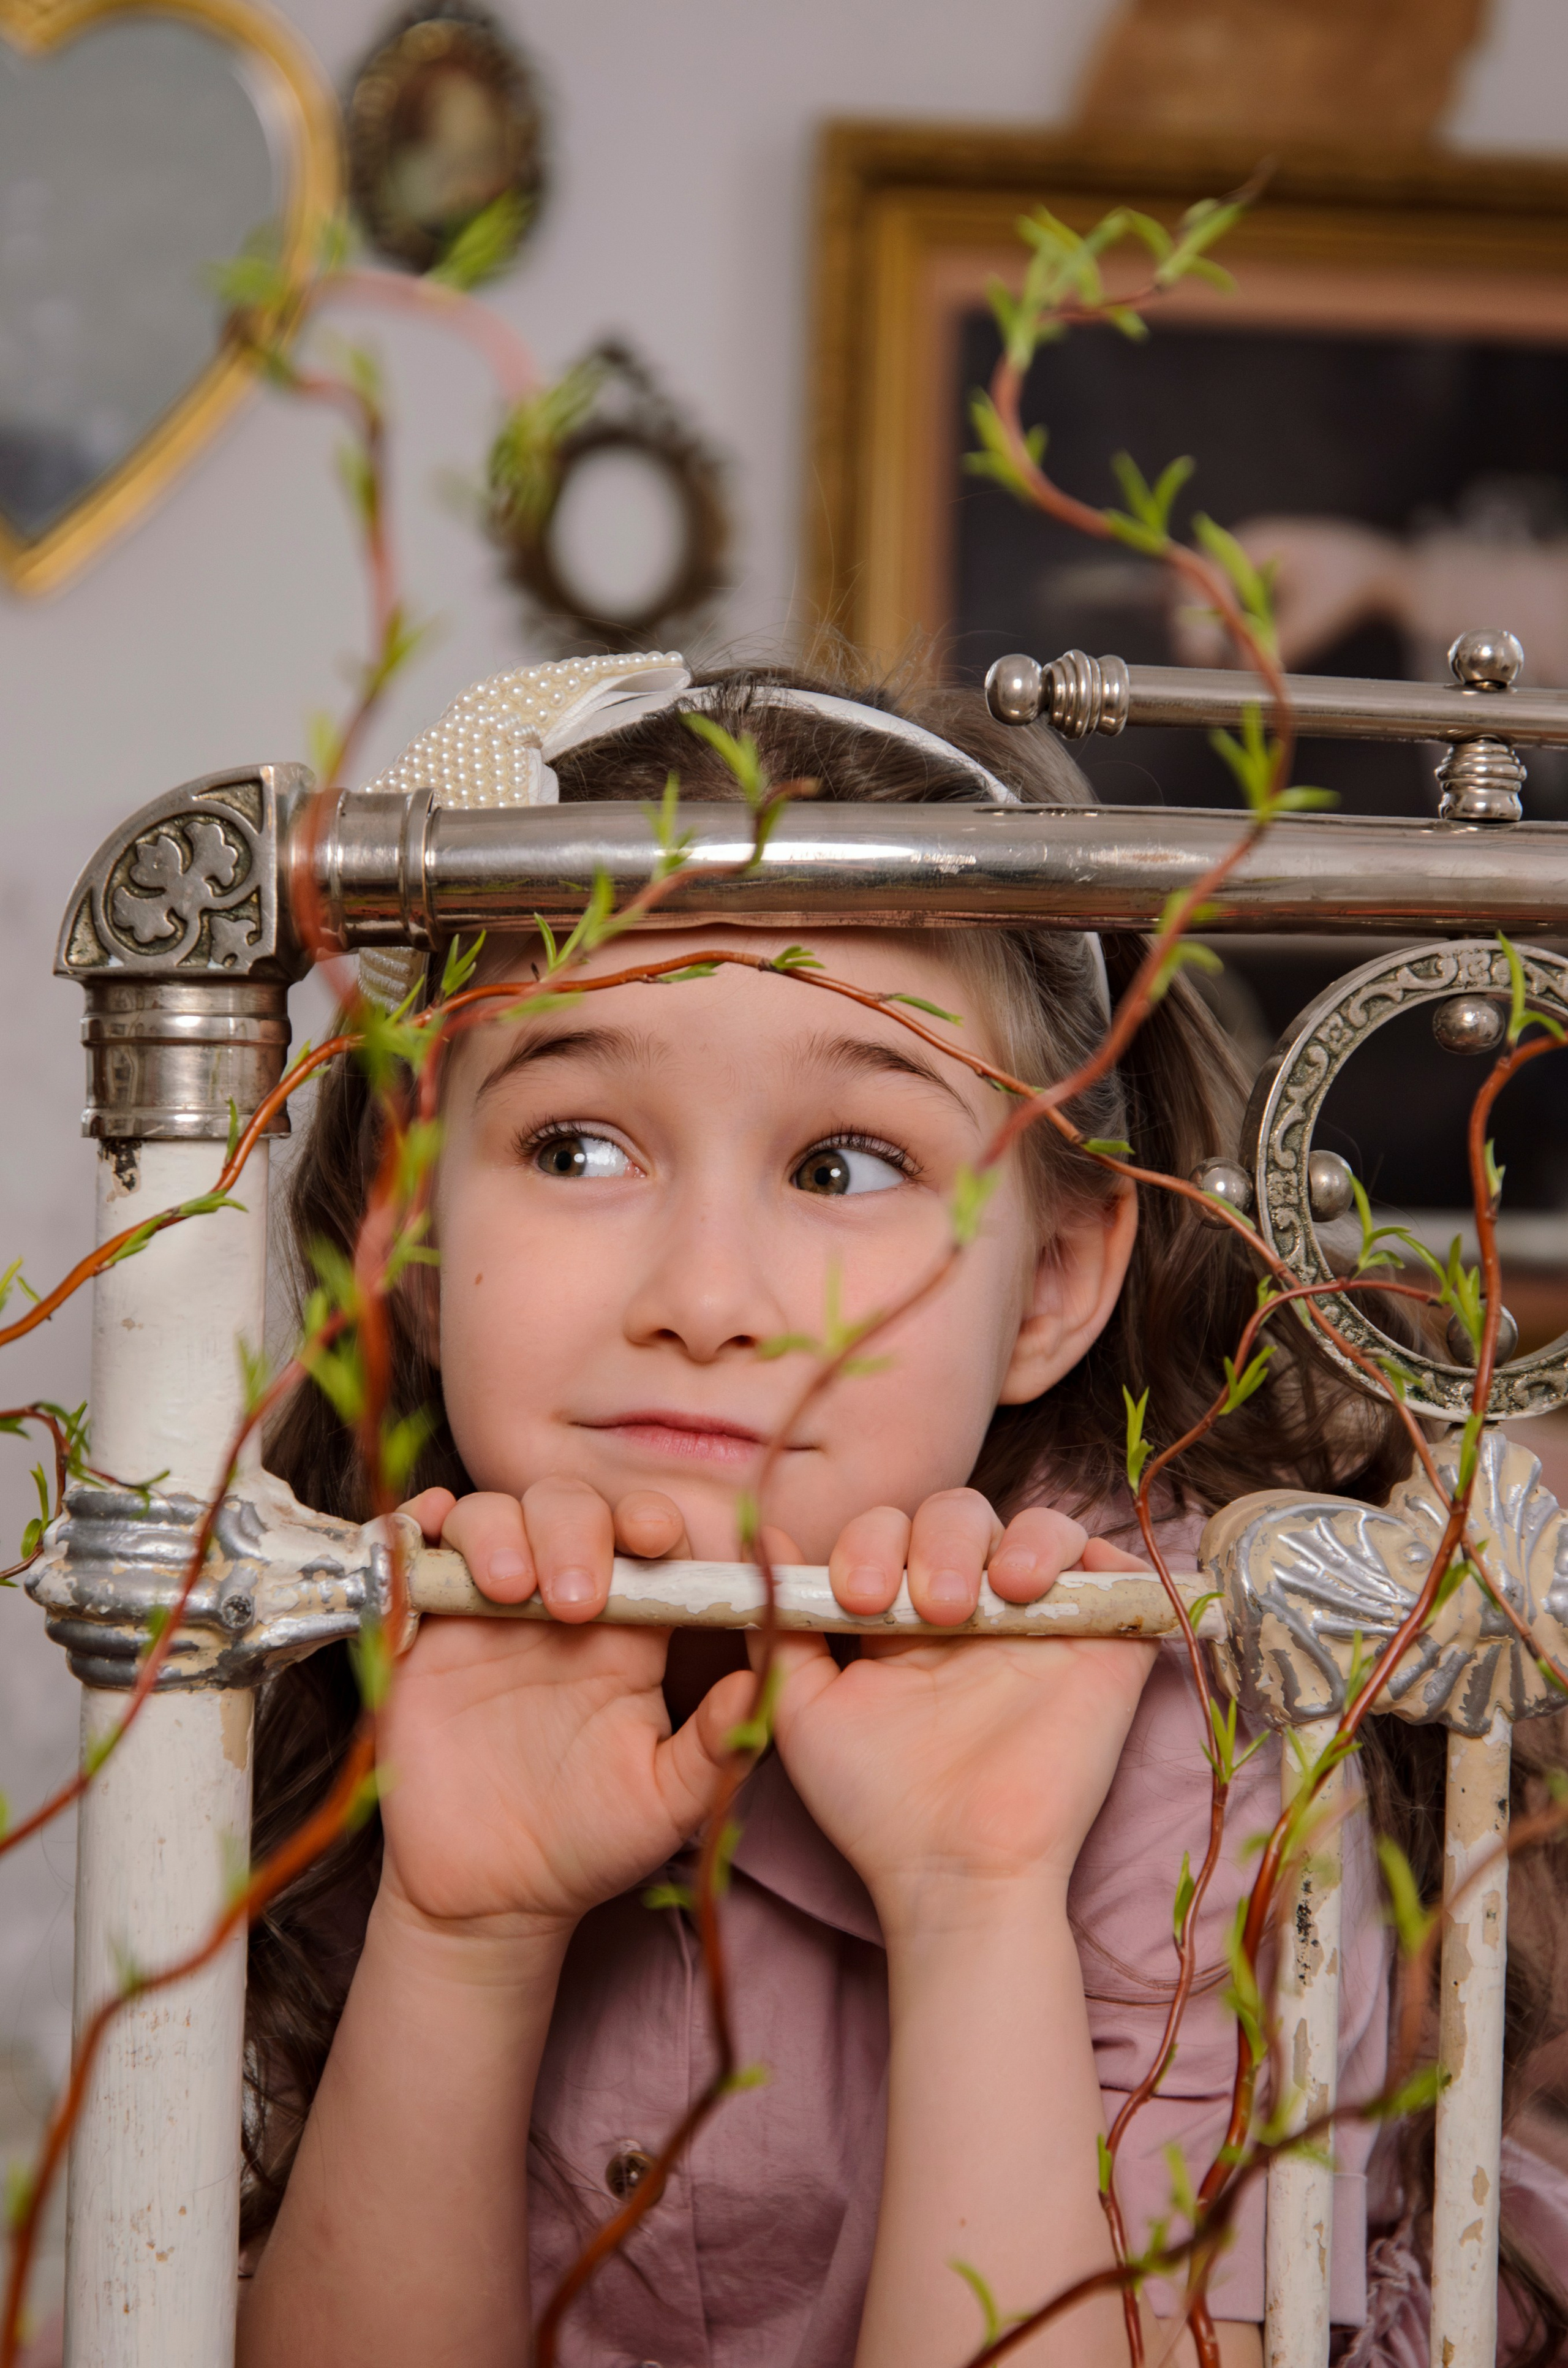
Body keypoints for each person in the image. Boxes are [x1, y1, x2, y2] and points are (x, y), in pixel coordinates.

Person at [233, 656, 1568, 2368]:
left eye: (844, 1164)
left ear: (1050, 1282)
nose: (705, 1298)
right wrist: (462, 1933)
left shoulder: (1185, 1697)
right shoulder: (353, 1623)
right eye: (576, 1149)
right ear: (411, 1239)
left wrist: (973, 1898)